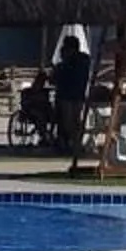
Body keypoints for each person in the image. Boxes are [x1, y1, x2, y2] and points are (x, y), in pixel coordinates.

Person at [52, 29, 92, 159]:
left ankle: (73, 143)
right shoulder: (84, 60)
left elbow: (59, 76)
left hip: (68, 94)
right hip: (76, 93)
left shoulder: (74, 62)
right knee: (74, 120)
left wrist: (59, 68)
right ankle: (74, 143)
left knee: (69, 121)